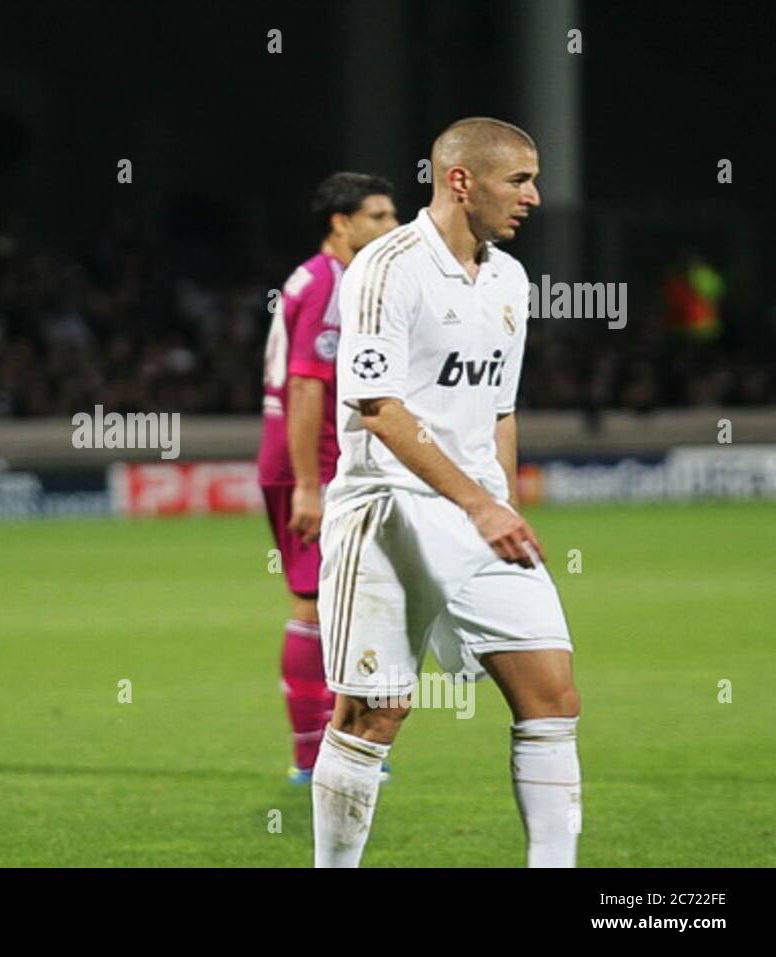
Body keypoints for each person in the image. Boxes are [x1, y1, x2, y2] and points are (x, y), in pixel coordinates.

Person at [313, 118, 581, 866]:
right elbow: (380, 408)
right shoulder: (386, 268)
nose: (534, 195)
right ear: (461, 180)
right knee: (375, 712)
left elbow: (499, 407)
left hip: (481, 515)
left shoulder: (509, 277)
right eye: (519, 180)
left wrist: (504, 502)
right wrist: (479, 502)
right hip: (388, 511)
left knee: (553, 699)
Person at [258, 173, 397, 783]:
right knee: (315, 602)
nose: (392, 229)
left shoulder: (319, 279)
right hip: (307, 463)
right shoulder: (331, 284)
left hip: (309, 460)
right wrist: (311, 486)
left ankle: (326, 748)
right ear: (341, 223)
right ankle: (312, 756)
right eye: (379, 217)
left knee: (336, 601)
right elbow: (307, 385)